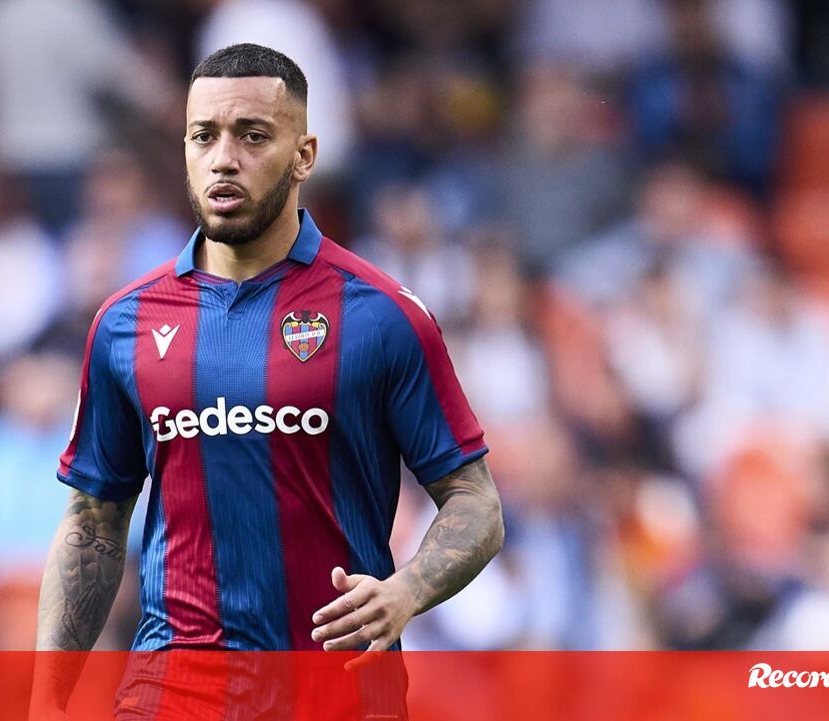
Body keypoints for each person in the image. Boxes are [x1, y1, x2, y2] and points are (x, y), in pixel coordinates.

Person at [31, 44, 504, 719]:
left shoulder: (382, 316)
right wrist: (46, 696)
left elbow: (474, 501)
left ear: (304, 156)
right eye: (204, 136)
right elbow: (93, 521)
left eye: (252, 135)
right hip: (174, 689)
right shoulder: (125, 323)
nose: (224, 158)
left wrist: (406, 592)